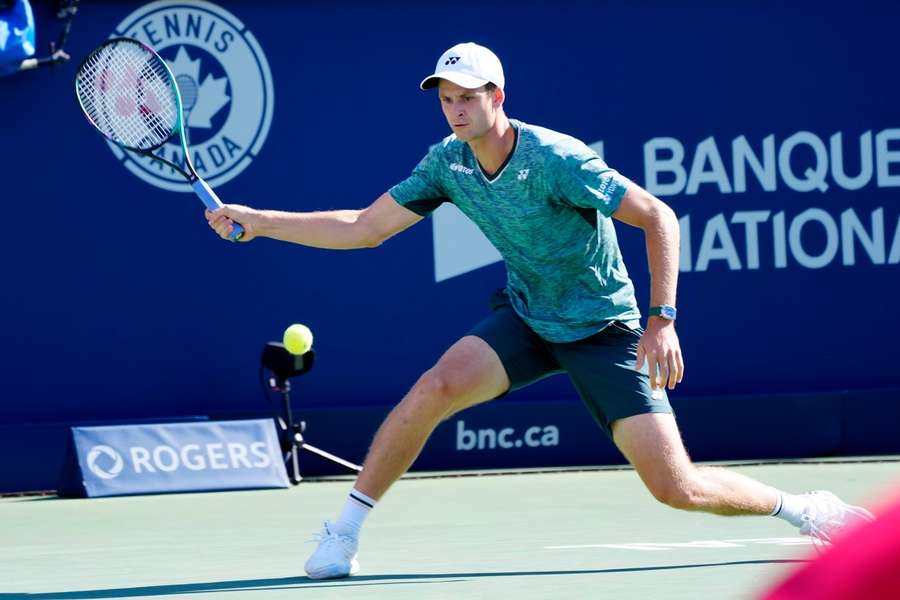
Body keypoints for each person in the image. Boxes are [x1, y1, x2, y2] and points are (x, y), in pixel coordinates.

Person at [206, 42, 874, 580]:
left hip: (605, 329)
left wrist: (662, 317)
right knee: (434, 387)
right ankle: (342, 534)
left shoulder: (556, 159)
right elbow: (362, 226)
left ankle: (805, 509)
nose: (455, 110)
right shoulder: (446, 164)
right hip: (527, 317)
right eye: (446, 99)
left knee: (677, 487)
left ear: (497, 98)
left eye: (467, 98)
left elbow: (657, 216)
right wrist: (261, 222)